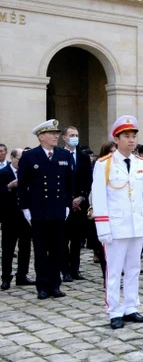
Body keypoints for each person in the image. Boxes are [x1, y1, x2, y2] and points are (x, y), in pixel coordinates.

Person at [91, 115, 143, 329]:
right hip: (116, 227)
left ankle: (131, 306)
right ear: (116, 139)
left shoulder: (141, 164)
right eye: (126, 136)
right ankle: (114, 310)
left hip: (137, 225)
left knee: (134, 268)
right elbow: (99, 198)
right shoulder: (104, 164)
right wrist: (103, 228)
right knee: (114, 270)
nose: (131, 140)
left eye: (133, 136)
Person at [17, 119, 74, 300]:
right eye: (52, 133)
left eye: (57, 133)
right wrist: (25, 208)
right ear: (41, 137)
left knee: (57, 249)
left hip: (58, 209)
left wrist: (67, 205)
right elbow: (22, 185)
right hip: (39, 210)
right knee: (41, 250)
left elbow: (68, 183)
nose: (56, 136)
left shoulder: (63, 155)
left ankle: (55, 285)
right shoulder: (30, 156)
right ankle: (42, 285)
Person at [60, 126, 92, 282]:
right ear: (64, 138)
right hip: (63, 204)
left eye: (77, 135)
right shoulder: (58, 155)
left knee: (77, 239)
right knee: (63, 239)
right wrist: (68, 200)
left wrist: (81, 197)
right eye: (72, 135)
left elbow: (88, 180)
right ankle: (64, 270)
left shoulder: (84, 157)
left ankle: (75, 269)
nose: (75, 138)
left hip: (80, 205)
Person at [0, 148, 34, 290]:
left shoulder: (28, 172)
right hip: (9, 217)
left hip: (25, 217)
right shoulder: (3, 173)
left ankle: (22, 275)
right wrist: (8, 187)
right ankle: (6, 277)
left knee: (25, 248)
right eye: (20, 159)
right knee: (8, 249)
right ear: (12, 158)